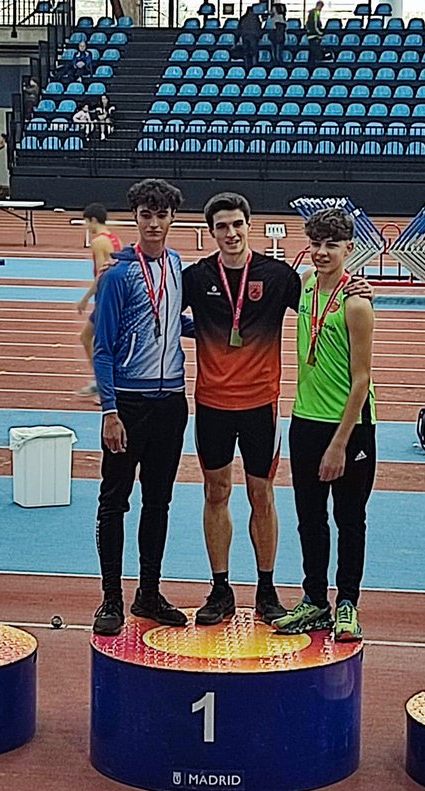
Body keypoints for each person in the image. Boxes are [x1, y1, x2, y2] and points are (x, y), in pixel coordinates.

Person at [180, 192, 302, 626]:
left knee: (260, 495)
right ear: (210, 233)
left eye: (237, 225)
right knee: (216, 493)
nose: (230, 234)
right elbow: (159, 313)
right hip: (212, 404)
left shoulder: (279, 276)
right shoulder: (195, 278)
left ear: (249, 225)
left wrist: (352, 286)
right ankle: (220, 589)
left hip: (260, 406)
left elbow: (320, 306)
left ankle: (267, 591)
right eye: (221, 227)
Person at [91, 178, 191, 637]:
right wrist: (110, 411)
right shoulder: (117, 274)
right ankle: (111, 597)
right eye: (145, 215)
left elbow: (173, 321)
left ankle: (148, 592)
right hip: (127, 405)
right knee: (114, 501)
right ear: (135, 218)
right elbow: (103, 348)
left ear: (172, 219)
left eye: (161, 215)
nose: (153, 224)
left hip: (171, 401)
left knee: (159, 500)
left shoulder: (175, 264)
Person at [272, 208, 376, 643]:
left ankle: (347, 604)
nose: (321, 252)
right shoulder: (307, 287)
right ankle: (315, 600)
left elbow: (362, 379)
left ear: (349, 249)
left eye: (331, 245)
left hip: (349, 428)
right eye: (315, 244)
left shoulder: (357, 304)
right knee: (309, 519)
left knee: (349, 518)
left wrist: (340, 444)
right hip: (305, 422)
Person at [75, 203, 124, 399]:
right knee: (90, 338)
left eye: (87, 222)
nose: (86, 227)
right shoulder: (115, 239)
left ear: (93, 220)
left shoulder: (98, 242)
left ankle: (106, 387)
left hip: (105, 297)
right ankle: (100, 382)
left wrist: (85, 299)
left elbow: (103, 274)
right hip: (113, 295)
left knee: (96, 341)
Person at [305, 1, 325, 65]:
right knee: (315, 51)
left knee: (312, 52)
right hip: (314, 35)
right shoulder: (316, 12)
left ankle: (310, 65)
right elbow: (315, 24)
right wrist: (320, 33)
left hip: (310, 35)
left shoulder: (311, 13)